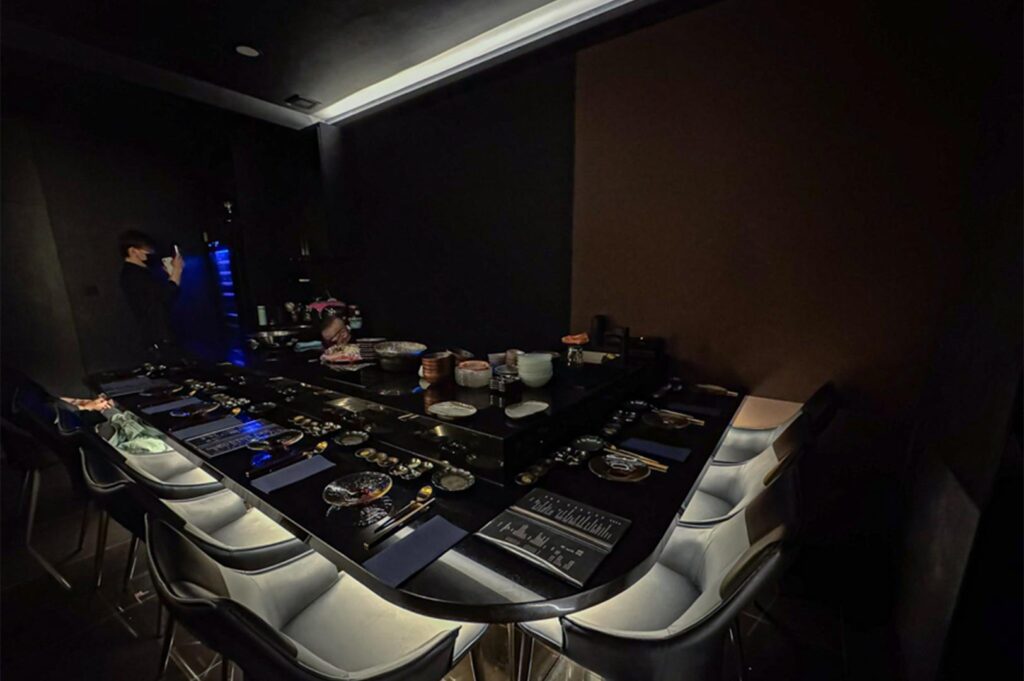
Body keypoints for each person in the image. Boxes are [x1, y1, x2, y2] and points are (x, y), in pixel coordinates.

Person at [118, 230, 184, 359]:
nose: (150, 252)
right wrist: (177, 271)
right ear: (133, 251)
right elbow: (164, 298)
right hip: (159, 337)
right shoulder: (134, 275)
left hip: (157, 335)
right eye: (146, 249)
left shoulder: (139, 273)